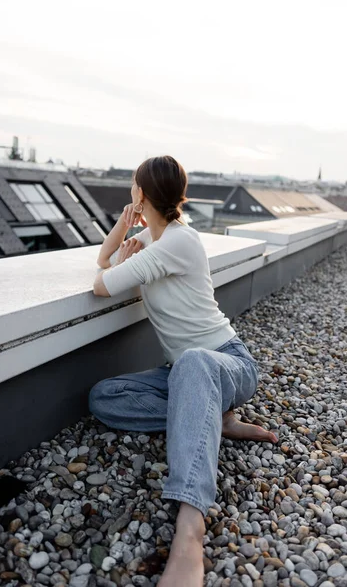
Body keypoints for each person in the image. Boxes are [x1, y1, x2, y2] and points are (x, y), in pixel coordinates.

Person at [90, 156, 278, 587]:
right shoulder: (151, 241)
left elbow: (102, 284)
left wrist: (125, 248)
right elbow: (104, 262)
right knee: (104, 396)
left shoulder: (177, 242)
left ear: (141, 193)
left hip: (229, 362)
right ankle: (212, 418)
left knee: (193, 361)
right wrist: (125, 227)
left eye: (134, 190)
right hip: (184, 372)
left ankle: (189, 529)